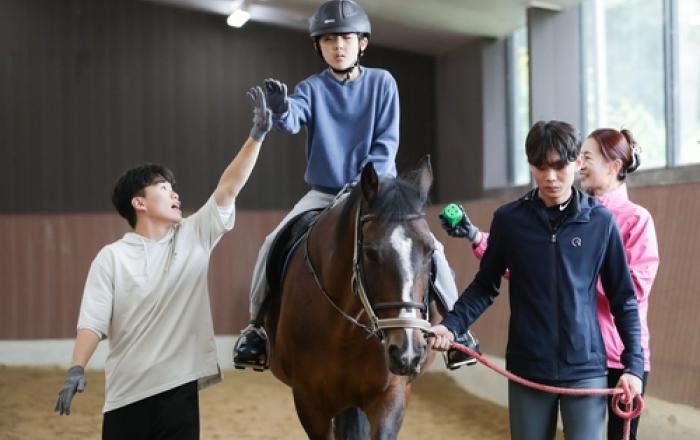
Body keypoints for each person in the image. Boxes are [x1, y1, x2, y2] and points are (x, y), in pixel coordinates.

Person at [233, 0, 477, 371]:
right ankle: (255, 329)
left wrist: (366, 184)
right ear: (319, 46)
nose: (338, 46)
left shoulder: (383, 83)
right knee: (272, 242)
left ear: (362, 43)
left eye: (346, 38)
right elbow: (294, 118)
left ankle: (458, 333)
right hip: (325, 193)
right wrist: (281, 109)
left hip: (377, 192)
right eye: (328, 40)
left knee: (433, 247)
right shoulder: (312, 88)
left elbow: (386, 143)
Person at [54, 86, 272, 439]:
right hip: (125, 396)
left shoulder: (194, 235)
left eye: (174, 187)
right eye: (163, 187)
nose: (175, 193)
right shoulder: (111, 258)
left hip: (179, 392)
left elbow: (228, 188)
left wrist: (257, 135)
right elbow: (92, 321)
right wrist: (76, 368)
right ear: (138, 203)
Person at [428, 120, 645, 440]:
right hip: (528, 369)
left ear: (577, 162)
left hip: (585, 371)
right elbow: (485, 286)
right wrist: (451, 325)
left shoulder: (601, 222)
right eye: (541, 167)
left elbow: (623, 298)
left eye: (559, 166)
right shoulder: (509, 221)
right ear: (530, 165)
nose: (550, 177)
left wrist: (633, 367)